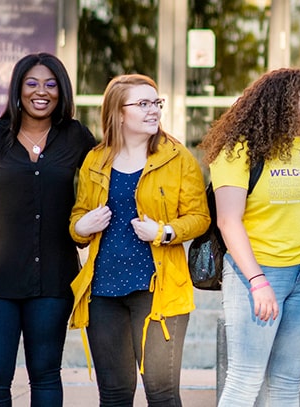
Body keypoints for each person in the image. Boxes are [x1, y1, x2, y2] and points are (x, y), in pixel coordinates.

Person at [0, 53, 97, 406]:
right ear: (18, 89)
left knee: (47, 374)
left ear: (62, 90)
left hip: (53, 279)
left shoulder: (76, 137)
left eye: (51, 84)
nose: (42, 92)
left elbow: (109, 177)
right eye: (32, 83)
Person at [201, 67, 300, 406]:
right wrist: (257, 281)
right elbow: (228, 220)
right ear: (287, 99)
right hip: (259, 272)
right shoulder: (238, 151)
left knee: (286, 382)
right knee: (245, 380)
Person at [68, 74, 210, 406]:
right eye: (143, 104)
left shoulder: (177, 158)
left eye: (156, 103)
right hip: (103, 291)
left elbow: (200, 218)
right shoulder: (95, 160)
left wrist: (165, 232)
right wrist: (83, 226)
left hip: (157, 291)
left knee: (161, 395)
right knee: (114, 395)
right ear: (118, 113)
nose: (154, 111)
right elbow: (77, 220)